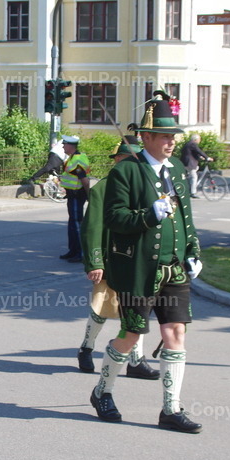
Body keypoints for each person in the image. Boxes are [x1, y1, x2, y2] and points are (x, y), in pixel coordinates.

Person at [89, 91, 203, 433]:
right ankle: (102, 391)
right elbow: (114, 218)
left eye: (173, 136)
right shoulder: (126, 171)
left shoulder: (177, 169)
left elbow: (186, 217)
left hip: (174, 268)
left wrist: (193, 250)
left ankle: (171, 409)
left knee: (175, 332)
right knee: (131, 334)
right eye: (165, 136)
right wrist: (149, 214)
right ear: (146, 137)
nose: (171, 142)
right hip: (138, 270)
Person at [77, 136, 159, 381]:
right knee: (102, 308)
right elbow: (92, 227)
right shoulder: (103, 187)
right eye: (130, 158)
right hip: (111, 258)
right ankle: (87, 347)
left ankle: (136, 361)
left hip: (137, 260)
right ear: (119, 160)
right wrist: (95, 262)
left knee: (137, 310)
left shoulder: (145, 185)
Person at [58, 135, 91, 263]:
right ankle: (73, 250)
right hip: (72, 195)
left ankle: (80, 253)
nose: (62, 146)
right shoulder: (72, 158)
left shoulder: (77, 160)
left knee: (77, 224)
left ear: (70, 146)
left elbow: (85, 180)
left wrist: (89, 195)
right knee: (72, 224)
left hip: (77, 195)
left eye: (64, 144)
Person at [180, 133, 212, 198]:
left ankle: (189, 187)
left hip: (186, 162)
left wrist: (200, 157)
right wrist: (207, 157)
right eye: (199, 139)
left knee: (194, 171)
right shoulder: (193, 144)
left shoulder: (188, 144)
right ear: (195, 139)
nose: (199, 141)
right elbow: (199, 151)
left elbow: (193, 152)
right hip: (190, 163)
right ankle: (193, 192)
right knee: (194, 177)